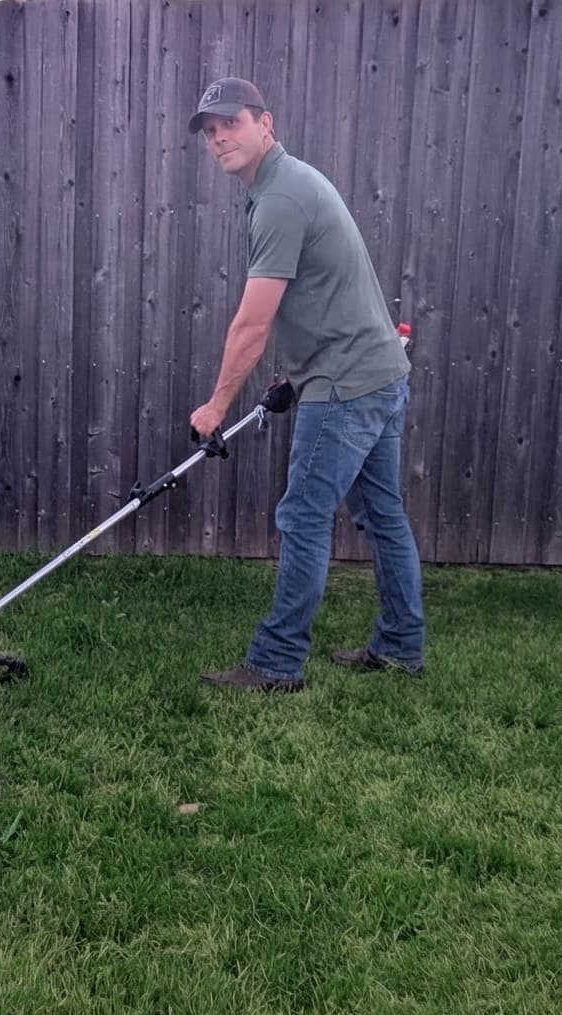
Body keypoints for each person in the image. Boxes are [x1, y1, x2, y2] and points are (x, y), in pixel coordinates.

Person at [188, 78, 424, 691]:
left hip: (346, 385)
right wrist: (293, 377)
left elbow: (254, 320)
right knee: (382, 515)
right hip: (377, 374)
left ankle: (275, 663)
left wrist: (216, 406)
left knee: (303, 516)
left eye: (230, 124)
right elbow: (326, 294)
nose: (218, 140)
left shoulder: (281, 198)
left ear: (264, 123)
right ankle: (401, 646)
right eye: (210, 132)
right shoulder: (288, 184)